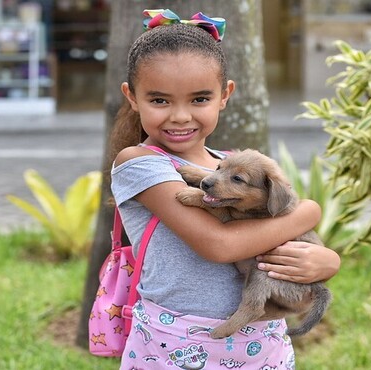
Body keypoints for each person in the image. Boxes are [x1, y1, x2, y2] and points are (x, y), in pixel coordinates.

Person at [110, 9, 340, 369]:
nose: (181, 115)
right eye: (159, 100)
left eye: (199, 99)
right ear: (132, 97)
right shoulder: (140, 163)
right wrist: (309, 211)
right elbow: (220, 244)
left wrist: (326, 262)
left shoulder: (232, 163)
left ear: (225, 95)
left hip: (261, 345)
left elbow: (290, 265)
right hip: (174, 343)